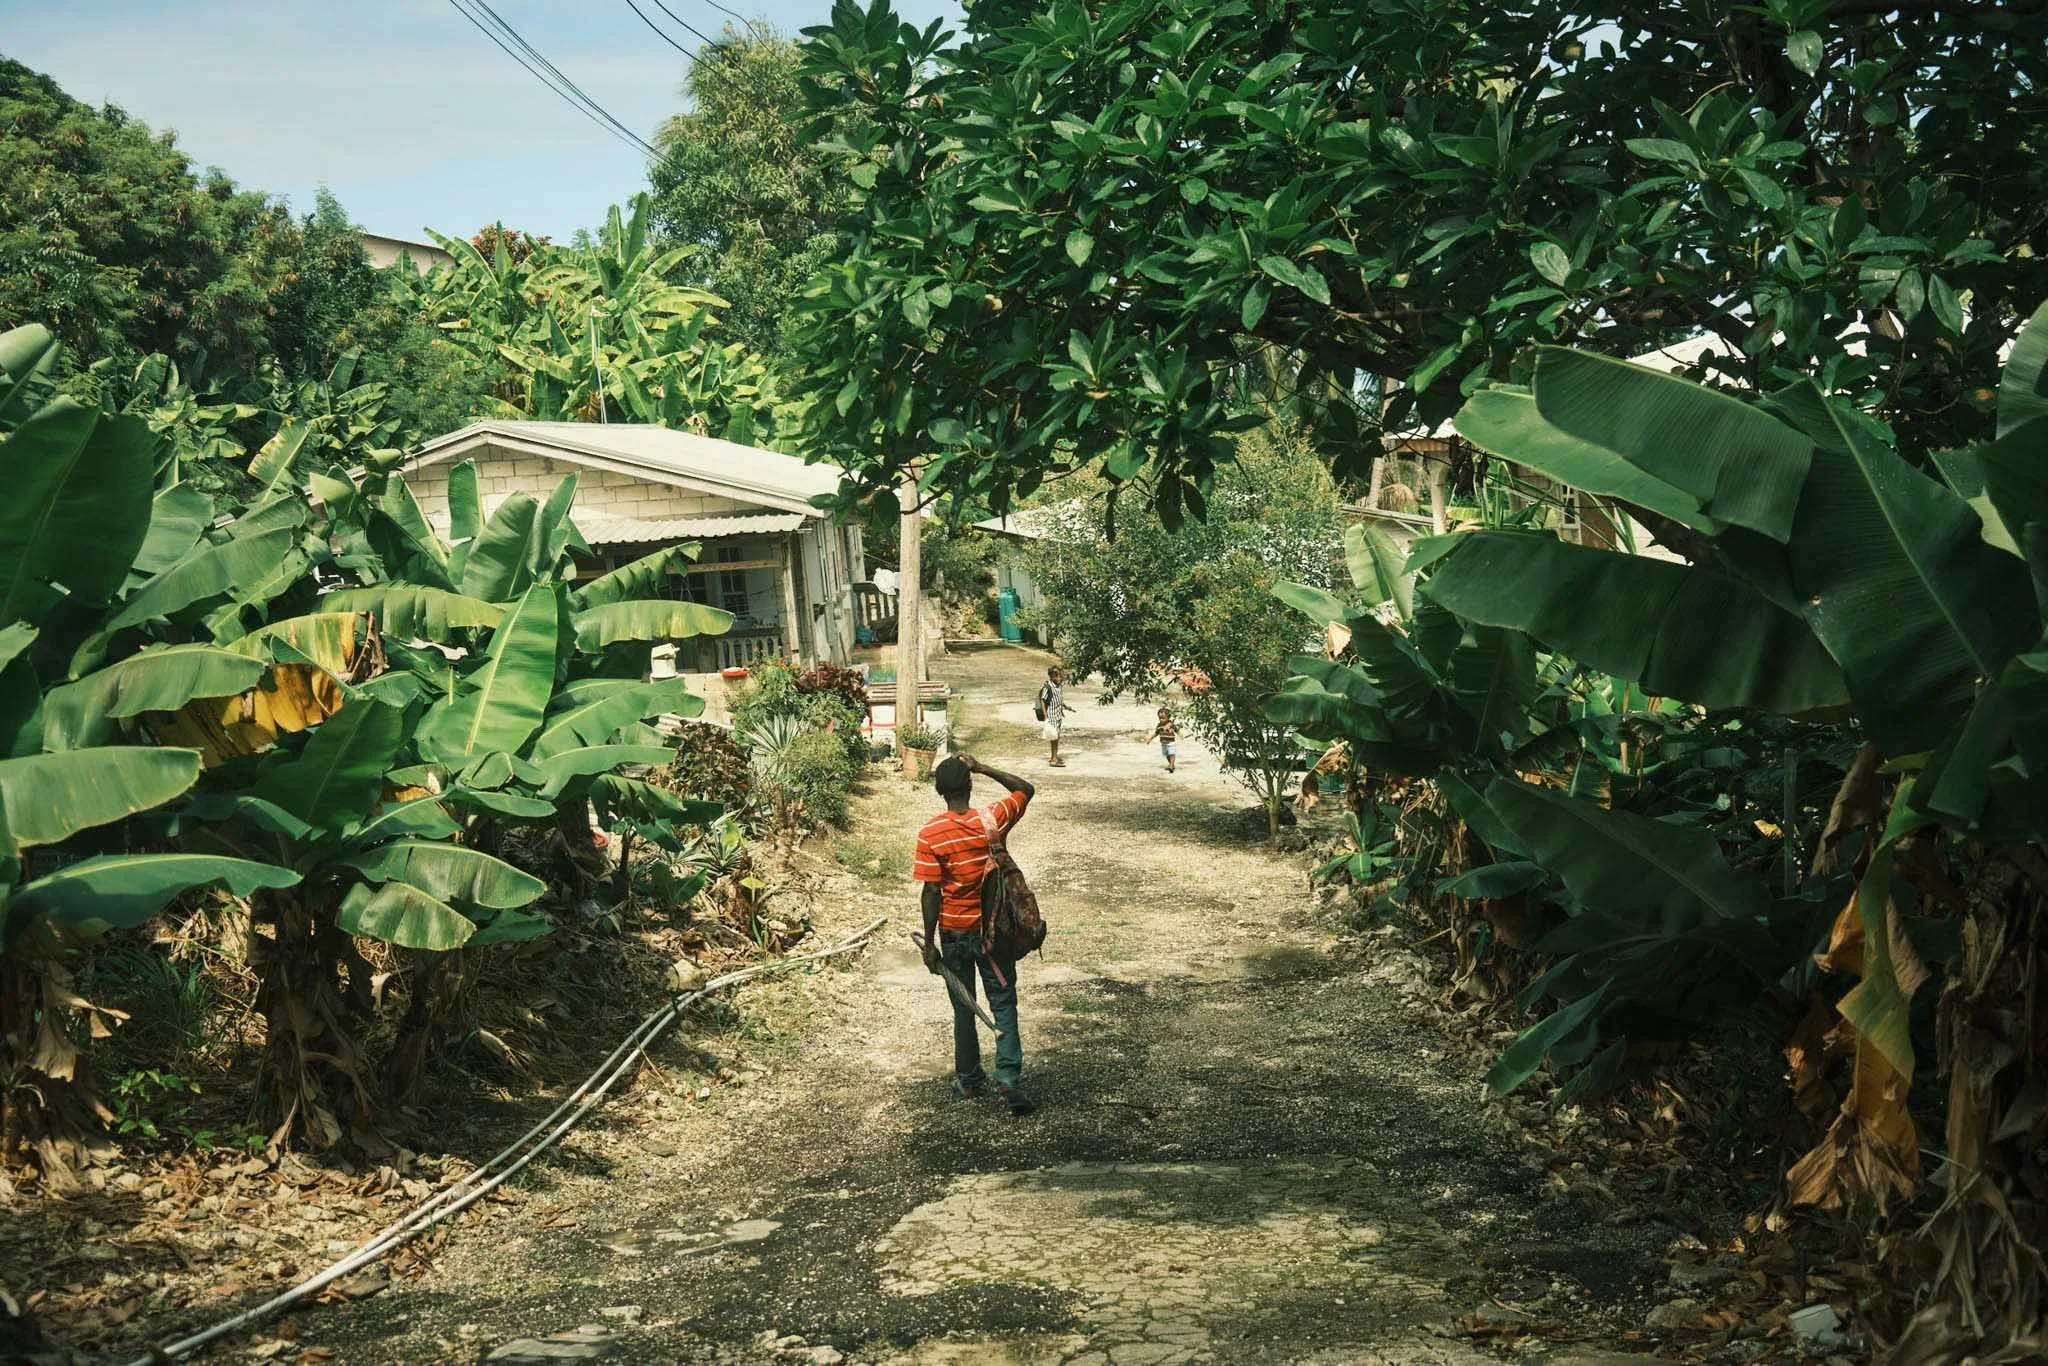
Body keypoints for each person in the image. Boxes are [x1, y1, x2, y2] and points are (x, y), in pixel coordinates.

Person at [914, 753, 1037, 1115]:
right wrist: (983, 767)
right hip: (994, 932)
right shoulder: (992, 819)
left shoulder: (930, 834)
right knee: (1003, 1003)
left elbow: (931, 892)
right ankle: (1008, 1077)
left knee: (964, 1007)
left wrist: (930, 943)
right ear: (969, 786)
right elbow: (1025, 789)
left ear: (939, 791)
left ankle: (969, 1081)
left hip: (955, 933)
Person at [1034, 666, 1066, 767]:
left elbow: (1058, 699)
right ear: (1052, 677)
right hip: (1051, 716)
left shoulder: (1058, 686)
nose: (1059, 678)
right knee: (1054, 737)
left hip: (1058, 716)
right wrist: (1045, 715)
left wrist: (1066, 707)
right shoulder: (1048, 687)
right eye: (1057, 676)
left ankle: (1055, 756)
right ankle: (1053, 759)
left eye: (1060, 676)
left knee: (1056, 737)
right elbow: (1043, 700)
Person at [1142, 707, 1179, 773]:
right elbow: (1156, 733)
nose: (1161, 720)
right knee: (1167, 754)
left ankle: (1171, 765)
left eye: (1163, 718)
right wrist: (1150, 739)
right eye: (1160, 718)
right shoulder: (1159, 725)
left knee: (1172, 753)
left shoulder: (1171, 725)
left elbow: (1177, 730)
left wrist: (1181, 735)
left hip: (1171, 742)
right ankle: (1171, 764)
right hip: (1163, 743)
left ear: (1168, 717)